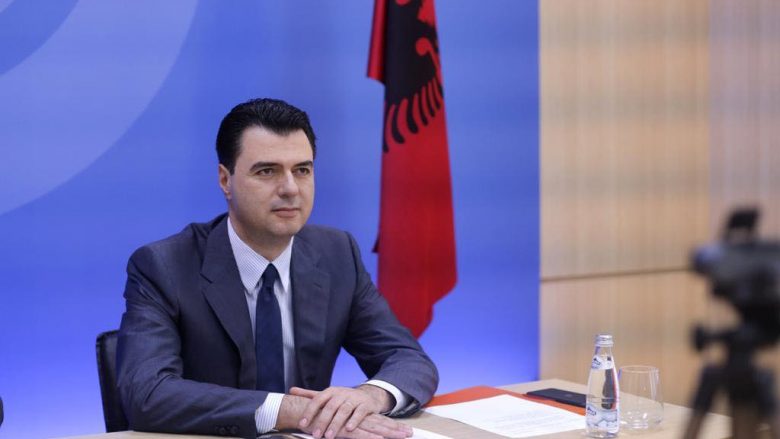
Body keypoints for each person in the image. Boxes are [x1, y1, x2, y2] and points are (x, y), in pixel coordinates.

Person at [116, 98, 438, 439]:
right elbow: (147, 394)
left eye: (302, 170)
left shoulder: (337, 253)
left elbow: (409, 360)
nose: (290, 189)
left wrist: (368, 397)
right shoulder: (164, 266)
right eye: (266, 171)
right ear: (225, 180)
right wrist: (289, 410)